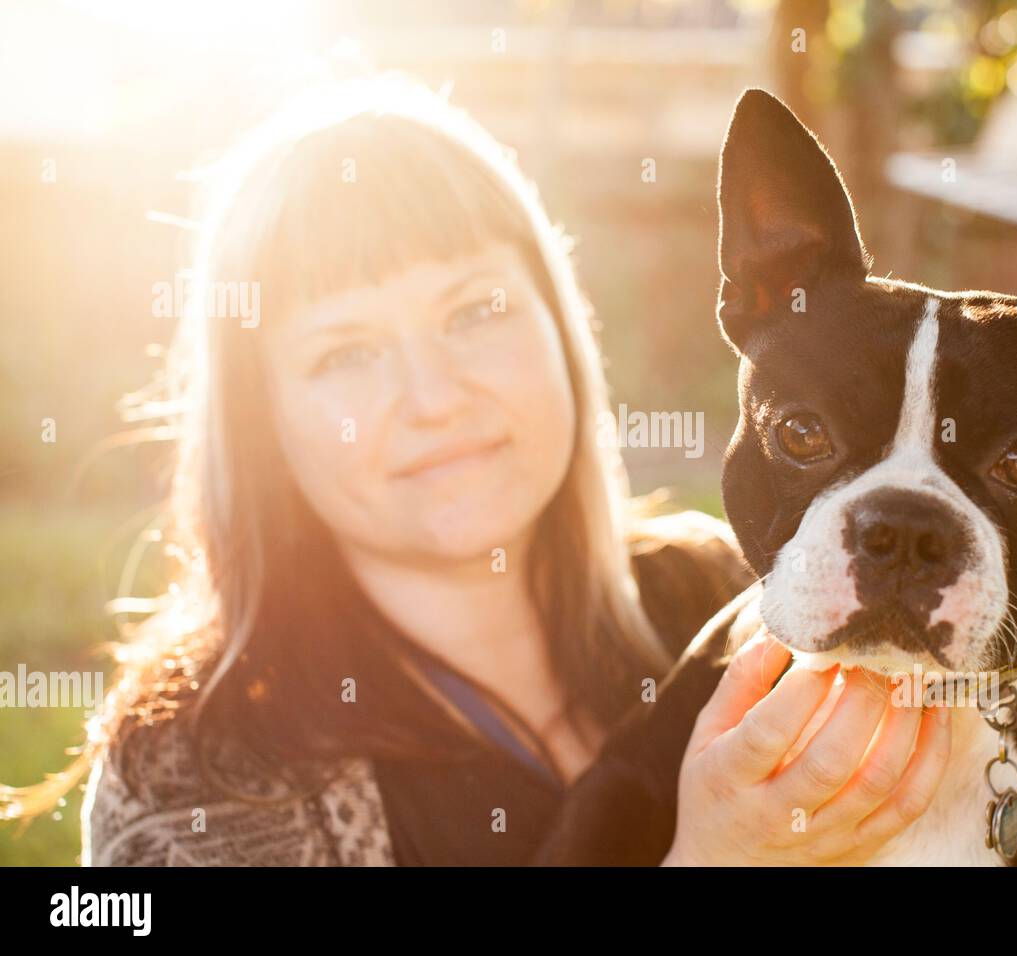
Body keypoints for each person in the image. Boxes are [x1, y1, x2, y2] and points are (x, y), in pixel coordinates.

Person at [0, 74, 950, 866]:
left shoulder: (726, 598)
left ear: (560, 324)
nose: (434, 396)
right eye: (344, 353)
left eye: (474, 312)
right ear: (263, 420)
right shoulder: (194, 770)